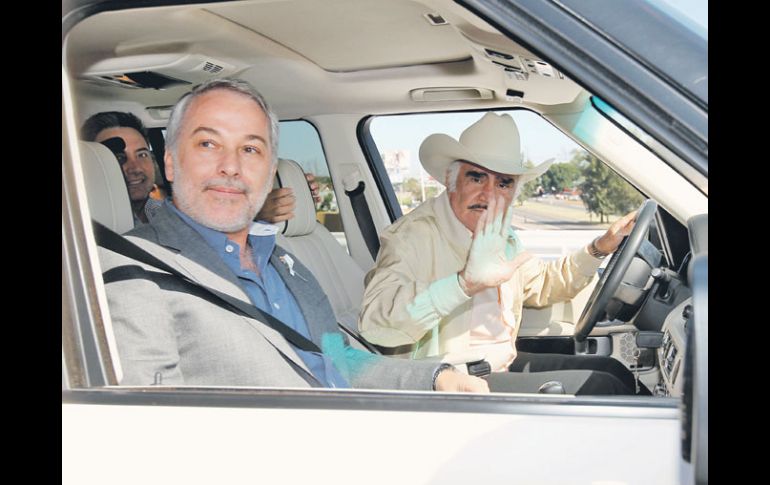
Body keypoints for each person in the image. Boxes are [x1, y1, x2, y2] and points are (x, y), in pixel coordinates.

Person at [98, 78, 488, 393]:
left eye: (250, 149)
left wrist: (436, 379)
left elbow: (338, 357)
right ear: (169, 161)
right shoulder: (130, 269)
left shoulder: (282, 259)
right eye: (208, 144)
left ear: (269, 172)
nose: (231, 166)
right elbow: (146, 432)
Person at [358, 112, 644, 395]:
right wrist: (462, 285)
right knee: (599, 387)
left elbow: (542, 283)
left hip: (498, 363)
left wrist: (599, 248)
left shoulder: (502, 236)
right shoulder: (413, 236)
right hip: (452, 379)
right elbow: (375, 325)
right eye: (477, 178)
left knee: (612, 369)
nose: (490, 195)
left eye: (503, 183)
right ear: (451, 180)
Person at [81, 111, 321, 225]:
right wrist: (254, 213)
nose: (135, 167)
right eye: (119, 157)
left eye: (142, 154)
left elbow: (201, 223)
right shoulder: (83, 231)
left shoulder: (159, 210)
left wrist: (288, 196)